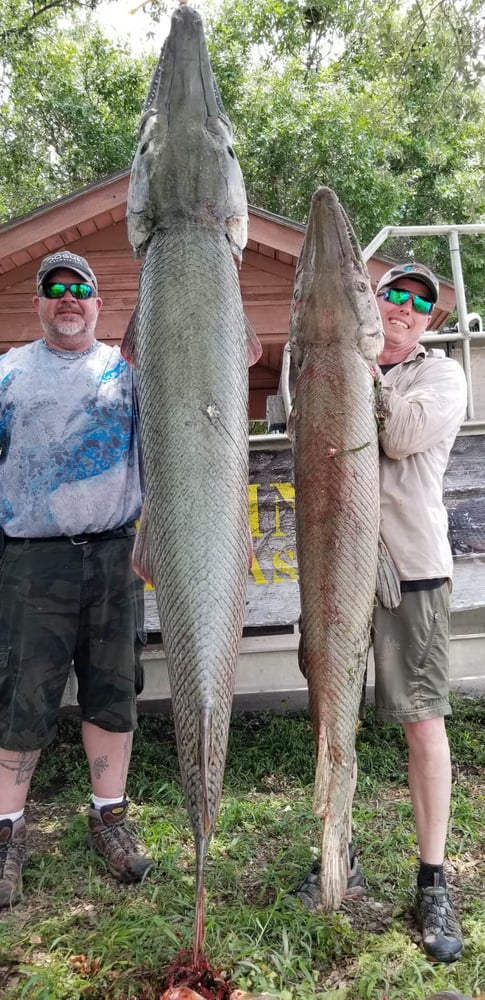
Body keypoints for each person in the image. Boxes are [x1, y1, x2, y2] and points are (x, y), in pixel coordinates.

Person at [291, 262, 468, 964]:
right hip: (334, 566)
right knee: (328, 713)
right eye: (390, 292)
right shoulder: (329, 363)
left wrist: (351, 365)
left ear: (430, 320)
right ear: (369, 300)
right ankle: (337, 847)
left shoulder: (442, 377)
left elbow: (394, 439)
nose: (402, 306)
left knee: (421, 723)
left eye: (418, 302)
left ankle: (431, 879)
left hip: (411, 573)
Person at [0, 250, 153, 908]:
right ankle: (6, 831)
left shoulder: (130, 374)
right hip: (30, 559)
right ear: (37, 304)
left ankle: (109, 816)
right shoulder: (6, 372)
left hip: (117, 555)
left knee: (113, 693)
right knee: (19, 699)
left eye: (80, 289)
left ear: (99, 302)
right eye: (54, 289)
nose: (67, 298)